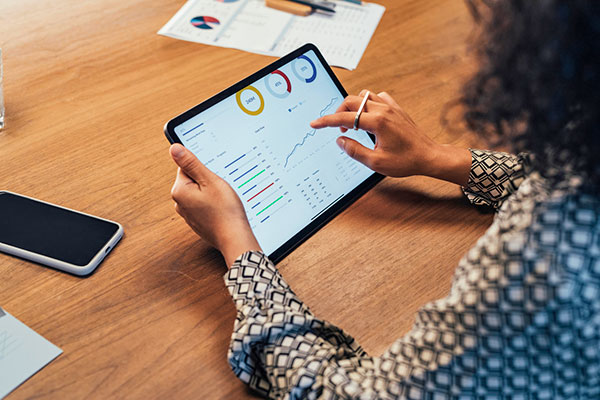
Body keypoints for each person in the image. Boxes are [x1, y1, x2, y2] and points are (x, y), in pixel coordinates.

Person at [169, 0, 600, 398]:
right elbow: (567, 172)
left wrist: (236, 241)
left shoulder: (546, 259)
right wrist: (437, 158)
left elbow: (345, 394)